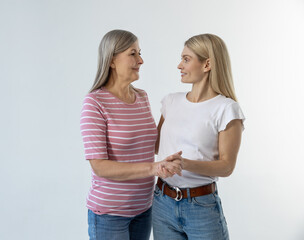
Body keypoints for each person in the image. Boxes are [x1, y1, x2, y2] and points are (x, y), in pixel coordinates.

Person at [80, 29, 182, 240]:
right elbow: (99, 165)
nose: (141, 60)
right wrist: (154, 168)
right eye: (133, 53)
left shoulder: (141, 97)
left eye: (140, 53)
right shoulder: (95, 103)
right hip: (110, 214)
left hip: (144, 209)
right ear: (112, 60)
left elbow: (153, 145)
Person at [152, 33, 245, 240]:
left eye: (186, 59)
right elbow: (156, 145)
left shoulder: (226, 109)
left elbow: (227, 166)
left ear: (207, 64)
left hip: (201, 207)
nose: (179, 65)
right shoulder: (170, 102)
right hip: (162, 202)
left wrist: (185, 164)